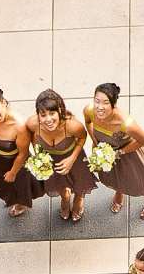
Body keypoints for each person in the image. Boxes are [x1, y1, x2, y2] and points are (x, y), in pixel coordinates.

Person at [84, 82, 144, 218]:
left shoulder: (125, 123)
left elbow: (143, 139)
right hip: (104, 153)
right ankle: (119, 191)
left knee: (140, 184)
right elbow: (88, 123)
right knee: (114, 179)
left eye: (105, 102)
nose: (99, 107)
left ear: (113, 104)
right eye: (97, 101)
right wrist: (95, 142)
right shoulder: (89, 110)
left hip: (127, 155)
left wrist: (119, 152)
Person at [24, 89, 94, 223]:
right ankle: (65, 199)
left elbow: (82, 137)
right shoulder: (32, 124)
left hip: (73, 158)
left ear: (60, 111)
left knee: (80, 183)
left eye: (52, 113)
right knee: (62, 188)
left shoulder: (72, 126)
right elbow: (31, 136)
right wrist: (38, 155)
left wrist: (72, 158)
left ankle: (79, 199)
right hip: (51, 161)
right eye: (43, 115)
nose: (48, 119)